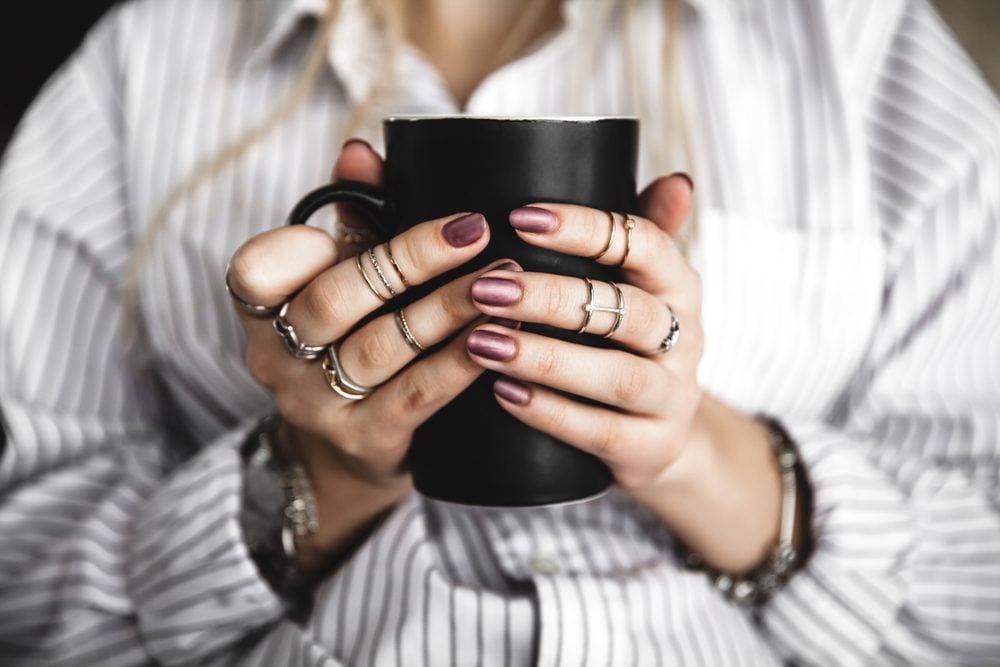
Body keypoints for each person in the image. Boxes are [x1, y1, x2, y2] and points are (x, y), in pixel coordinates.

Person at [0, 0, 998, 664]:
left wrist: (690, 446)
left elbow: (979, 586)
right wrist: (317, 466)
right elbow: (26, 585)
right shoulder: (152, 52)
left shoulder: (848, 35)